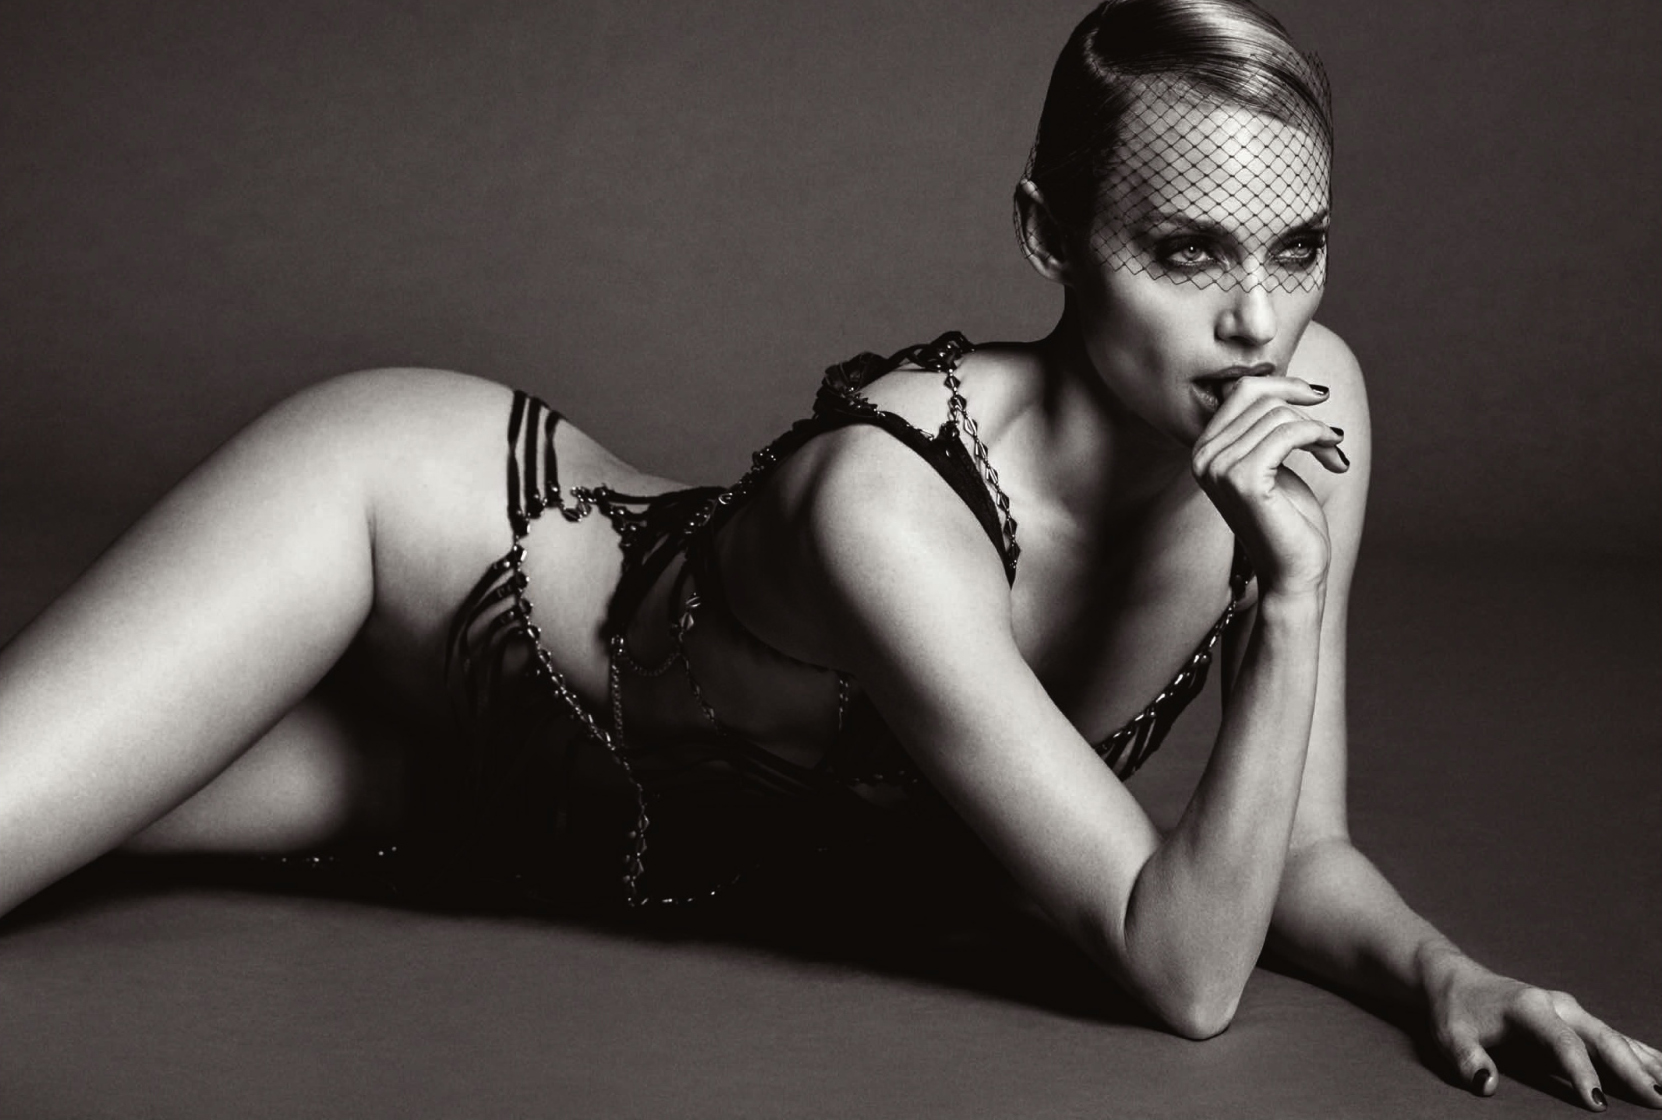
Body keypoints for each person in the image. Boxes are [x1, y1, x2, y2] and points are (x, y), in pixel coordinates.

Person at [0, 0, 1655, 1109]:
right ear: (1049, 236)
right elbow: (1186, 976)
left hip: (498, 807)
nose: (1254, 322)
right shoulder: (893, 501)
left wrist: (1444, 971)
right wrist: (1283, 600)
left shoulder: (1317, 398)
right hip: (421, 551)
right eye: (1183, 251)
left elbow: (1284, 853)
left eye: (1296, 250)